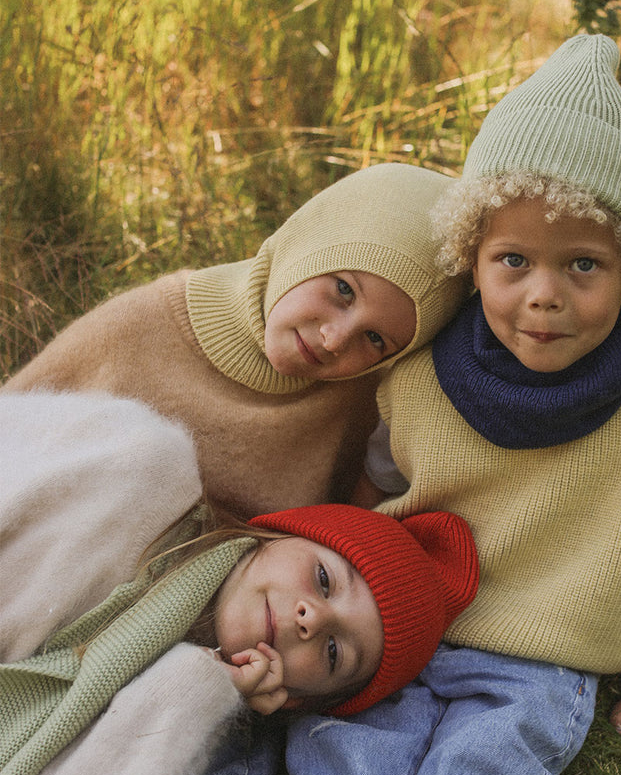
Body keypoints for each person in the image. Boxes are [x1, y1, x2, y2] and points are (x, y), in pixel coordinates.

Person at [247, 34, 621, 775]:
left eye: (584, 265)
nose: (544, 295)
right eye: (515, 262)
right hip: (409, 617)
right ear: (471, 256)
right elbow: (371, 504)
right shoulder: (424, 375)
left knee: (487, 758)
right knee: (354, 732)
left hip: (543, 652)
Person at [0, 390, 479, 775]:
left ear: (296, 699)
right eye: (323, 579)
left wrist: (199, 690)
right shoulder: (142, 480)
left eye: (334, 651)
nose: (312, 619)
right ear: (280, 532)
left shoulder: (209, 729)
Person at [1, 163, 470, 519]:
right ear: (306, 243)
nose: (333, 339)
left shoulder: (365, 401)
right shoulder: (140, 326)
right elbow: (15, 434)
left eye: (375, 339)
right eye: (342, 289)